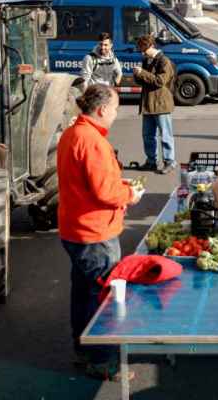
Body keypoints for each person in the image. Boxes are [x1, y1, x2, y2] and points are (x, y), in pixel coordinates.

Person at [58, 84, 145, 381]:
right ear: (102, 110)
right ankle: (103, 361)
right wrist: (129, 194)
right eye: (116, 108)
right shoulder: (92, 141)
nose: (117, 113)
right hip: (94, 231)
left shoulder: (72, 134)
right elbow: (104, 191)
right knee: (104, 295)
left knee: (82, 292)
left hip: (74, 228)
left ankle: (83, 349)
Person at [133, 35, 176, 174]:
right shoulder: (147, 60)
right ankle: (151, 161)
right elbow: (144, 81)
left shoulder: (164, 61)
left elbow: (160, 81)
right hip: (148, 104)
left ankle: (169, 161)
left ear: (151, 46)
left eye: (143, 50)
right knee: (148, 135)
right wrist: (137, 75)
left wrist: (143, 73)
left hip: (161, 104)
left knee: (165, 135)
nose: (142, 53)